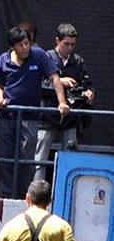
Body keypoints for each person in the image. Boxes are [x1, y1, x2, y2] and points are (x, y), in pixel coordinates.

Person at [0, 26, 69, 198]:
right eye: (21, 45)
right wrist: (0, 98)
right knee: (3, 158)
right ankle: (5, 195)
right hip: (6, 115)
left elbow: (55, 78)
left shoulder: (39, 55)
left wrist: (62, 102)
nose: (25, 47)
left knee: (27, 159)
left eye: (27, 43)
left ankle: (23, 195)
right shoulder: (2, 61)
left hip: (29, 116)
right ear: (12, 46)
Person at [34, 23, 95, 181]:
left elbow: (87, 84)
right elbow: (36, 83)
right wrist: (59, 81)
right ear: (57, 41)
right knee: (39, 159)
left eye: (72, 45)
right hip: (47, 113)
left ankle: (66, 188)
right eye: (66, 44)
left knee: (70, 158)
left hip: (70, 117)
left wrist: (88, 93)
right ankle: (35, 191)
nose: (69, 48)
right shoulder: (45, 58)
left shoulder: (78, 61)